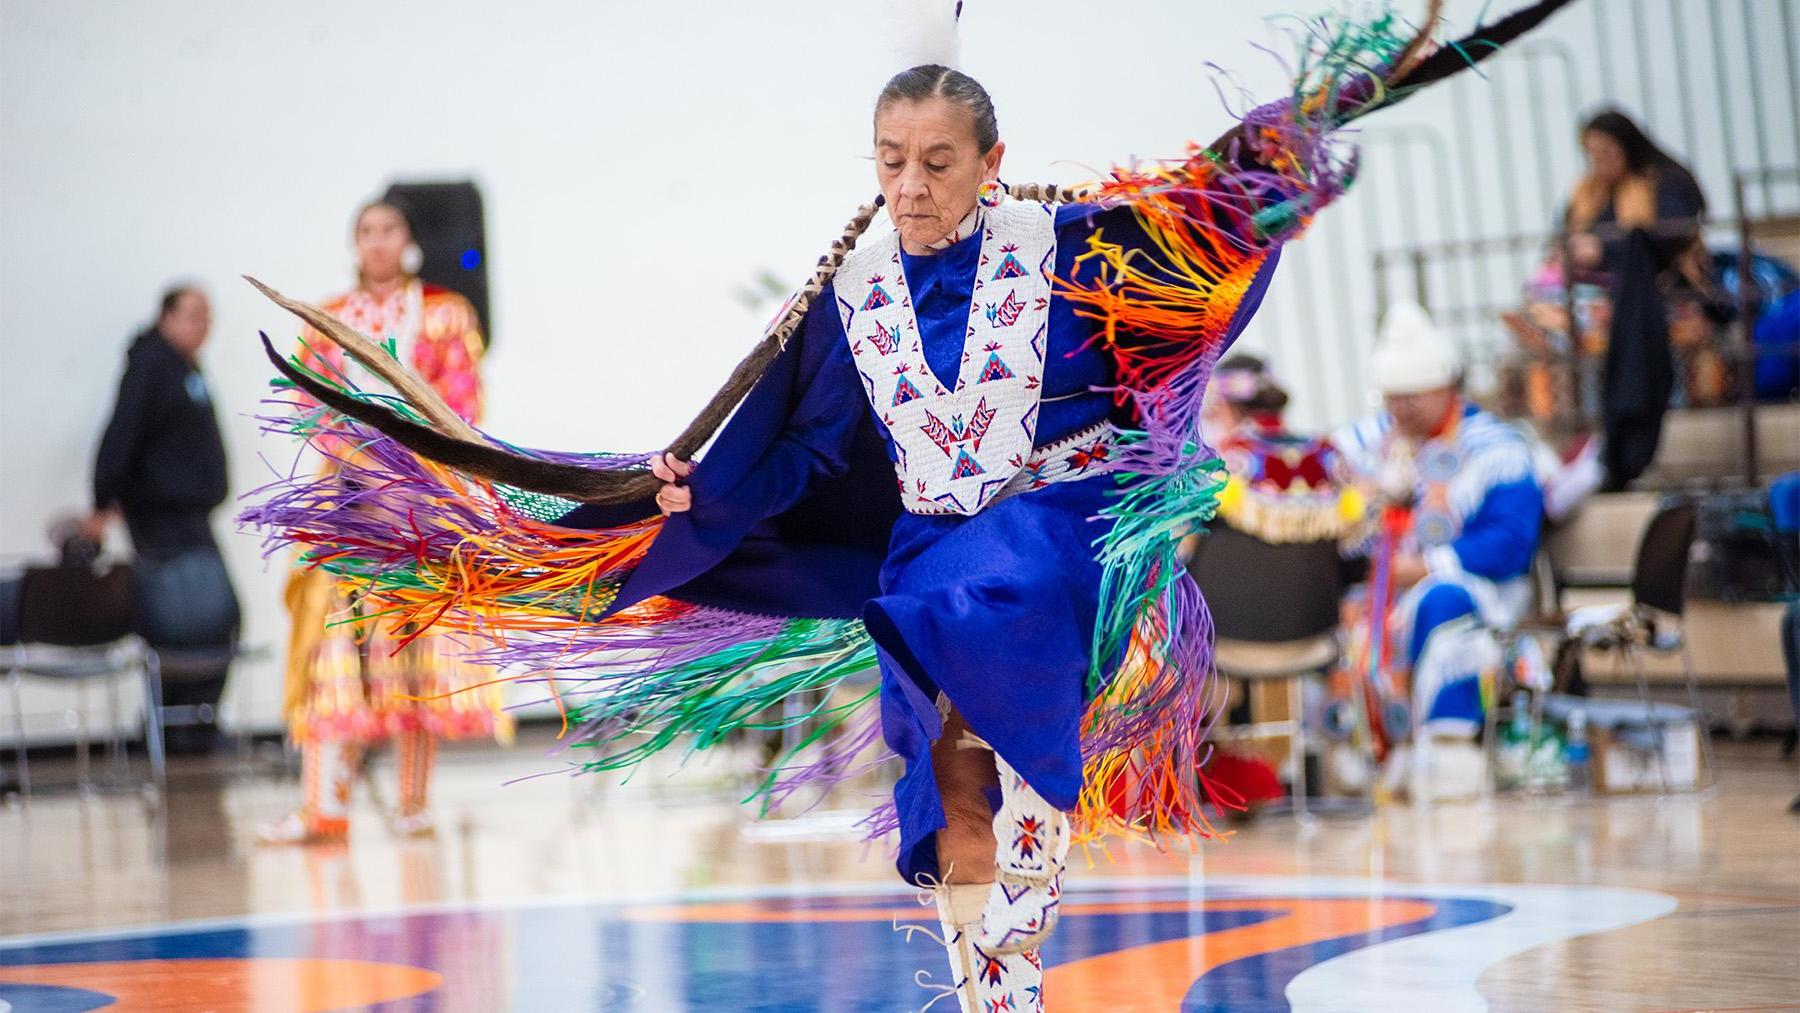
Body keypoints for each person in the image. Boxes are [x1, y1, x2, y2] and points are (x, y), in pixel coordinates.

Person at [241, 6, 1572, 1007]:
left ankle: (1030, 866)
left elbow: (1204, 227)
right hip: (932, 545)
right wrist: (685, 496)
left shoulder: (1075, 246)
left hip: (1049, 536)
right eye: (892, 161)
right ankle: (999, 981)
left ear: (994, 158)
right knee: (941, 768)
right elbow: (805, 455)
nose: (915, 185)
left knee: (966, 614)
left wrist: (1283, 138)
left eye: (940, 159)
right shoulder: (851, 302)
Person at [257, 200, 505, 846]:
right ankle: (323, 807)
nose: (377, 242)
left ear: (410, 240)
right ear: (354, 243)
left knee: (414, 644)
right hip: (346, 506)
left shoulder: (446, 314)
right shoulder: (326, 319)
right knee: (331, 649)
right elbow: (311, 404)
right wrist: (359, 463)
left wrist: (406, 468)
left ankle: (411, 804)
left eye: (389, 229)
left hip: (419, 505)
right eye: (366, 231)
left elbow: (459, 401)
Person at [1336, 303, 1544, 740]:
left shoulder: (1496, 450)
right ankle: (1356, 754)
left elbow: (1510, 543)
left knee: (1444, 601)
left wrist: (1425, 568)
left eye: (1413, 396)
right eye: (1392, 397)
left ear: (1447, 386)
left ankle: (1449, 747)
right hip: (1371, 590)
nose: (1401, 408)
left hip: (1476, 588)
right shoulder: (1360, 446)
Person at [1501, 109, 1727, 488]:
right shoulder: (1589, 191)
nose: (1599, 160)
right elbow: (1563, 234)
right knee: (1541, 320)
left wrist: (1603, 250)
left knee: (1606, 324)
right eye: (1591, 152)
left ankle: (1614, 436)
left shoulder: (1665, 182)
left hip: (1653, 292)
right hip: (1590, 293)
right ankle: (1581, 437)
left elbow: (1667, 239)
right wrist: (1572, 251)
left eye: (1606, 149)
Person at [88, 285, 239, 755]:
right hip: (162, 522)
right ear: (166, 318)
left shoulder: (187, 369)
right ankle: (171, 727)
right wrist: (103, 501)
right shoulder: (151, 366)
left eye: (207, 317)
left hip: (190, 518)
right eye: (192, 315)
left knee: (214, 620)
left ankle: (192, 723)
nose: (202, 326)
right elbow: (121, 433)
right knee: (189, 619)